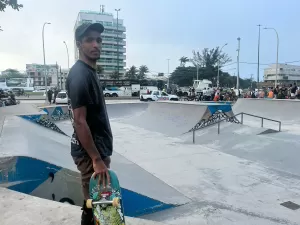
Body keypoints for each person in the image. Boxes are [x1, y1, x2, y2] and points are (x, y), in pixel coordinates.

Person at [66, 22, 113, 225]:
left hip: (96, 150)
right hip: (89, 154)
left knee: (96, 203)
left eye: (99, 40)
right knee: (96, 205)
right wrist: (96, 159)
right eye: (89, 40)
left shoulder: (89, 71)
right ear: (79, 44)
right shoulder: (80, 75)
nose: (96, 44)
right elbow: (80, 121)